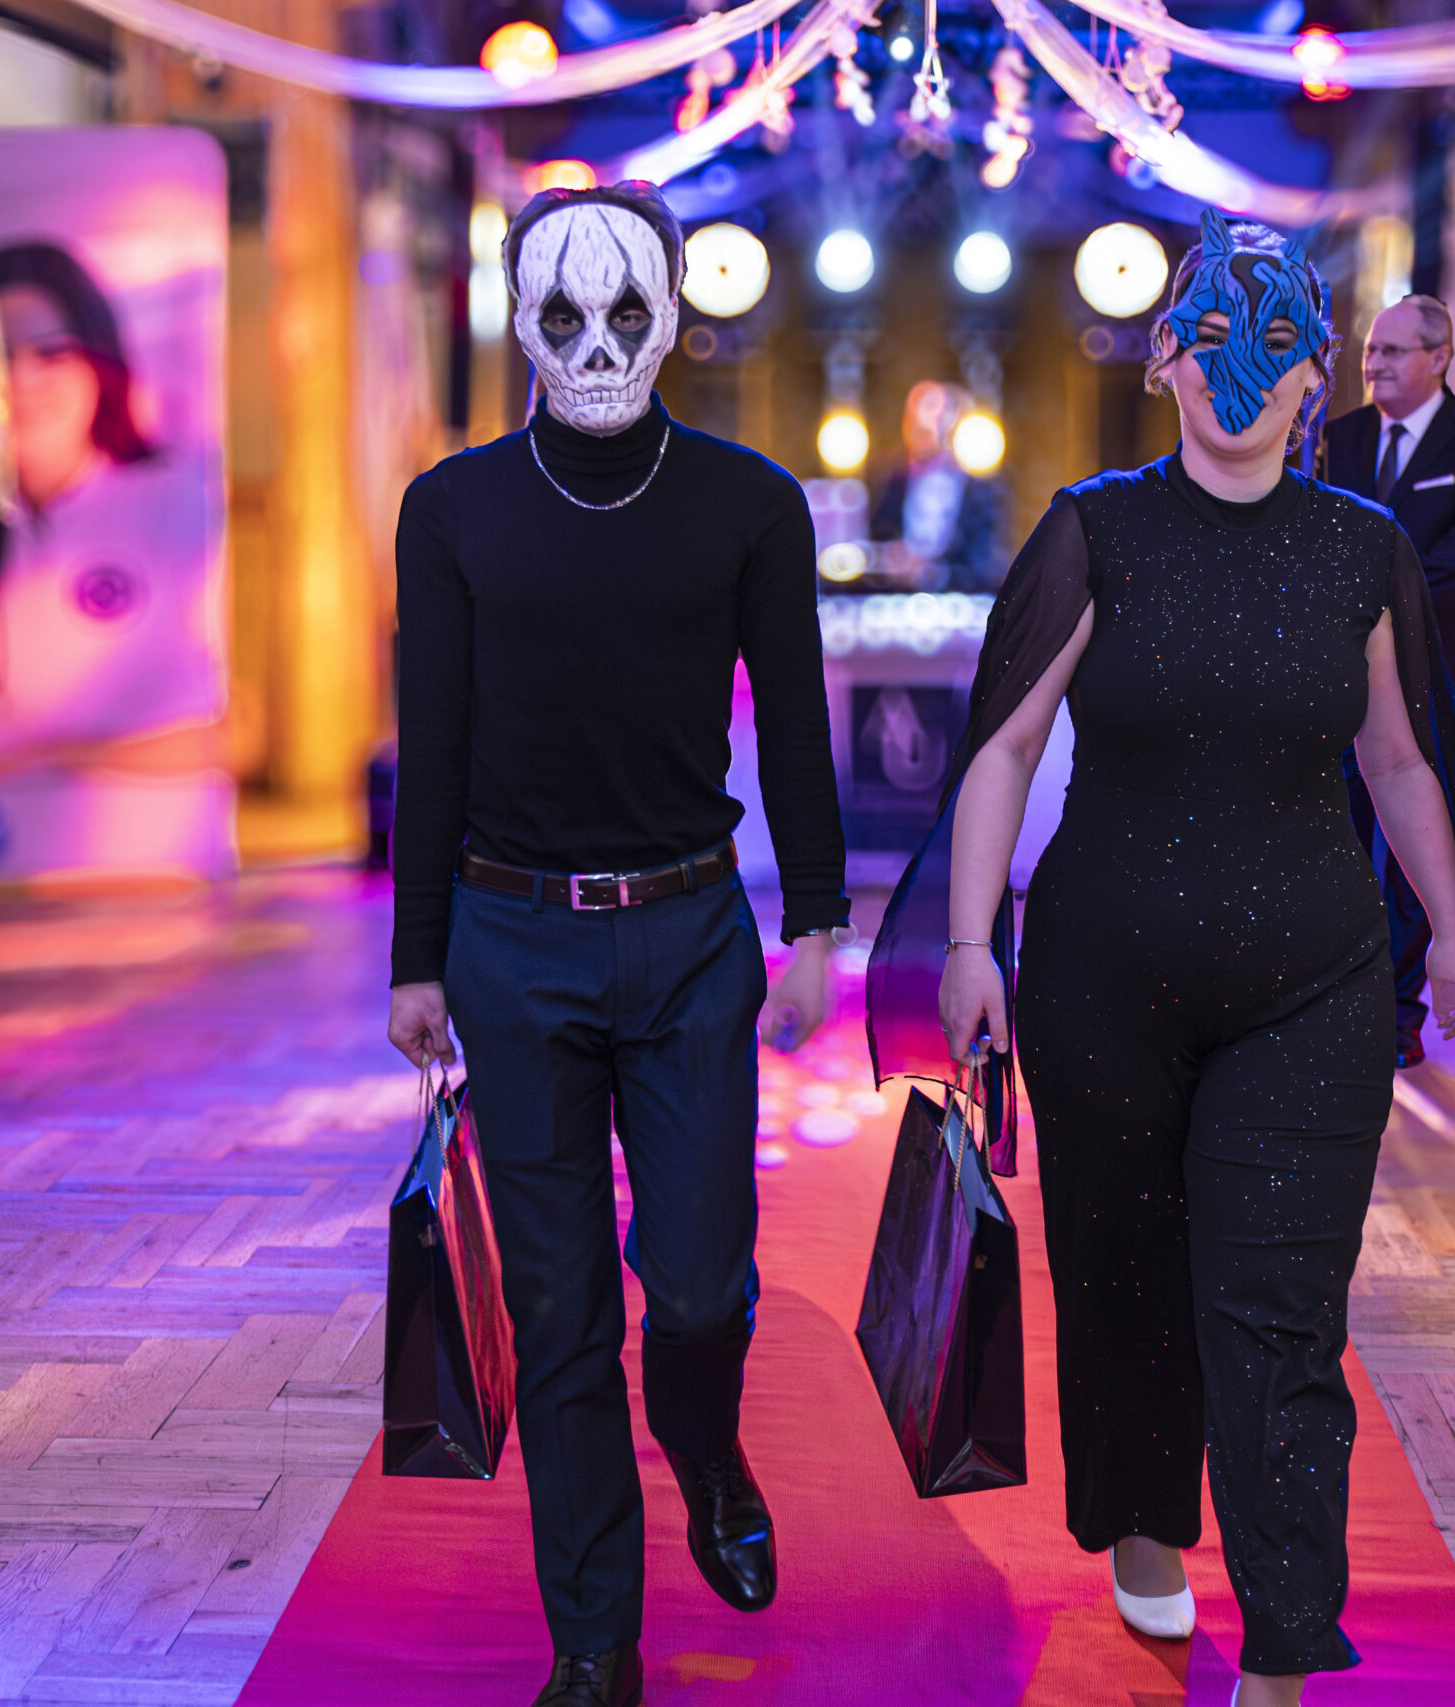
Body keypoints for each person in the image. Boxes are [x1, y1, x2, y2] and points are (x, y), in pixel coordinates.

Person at [865, 213, 1455, 1704]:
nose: (1236, 369)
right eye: (1207, 337)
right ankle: (1146, 1517)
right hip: (1099, 988)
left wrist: (1453, 929)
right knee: (1126, 1280)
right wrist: (968, 939)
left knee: (1279, 1309)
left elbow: (1402, 761)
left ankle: (1286, 1642)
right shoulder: (1094, 530)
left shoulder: (1365, 551)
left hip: (1310, 988)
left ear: (1318, 370)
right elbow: (1002, 746)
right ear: (1161, 360)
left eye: (1272, 342)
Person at [385, 181, 847, 1707]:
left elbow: (795, 725)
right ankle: (595, 1642)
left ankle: (704, 1443)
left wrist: (817, 925)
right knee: (561, 1309)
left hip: (692, 931)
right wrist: (416, 957)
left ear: (676, 317)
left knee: (700, 1283)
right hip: (514, 938)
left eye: (627, 310)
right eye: (565, 312)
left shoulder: (748, 503)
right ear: (520, 319)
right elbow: (433, 742)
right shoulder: (453, 508)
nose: (595, 343)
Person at [0, 240, 230, 881]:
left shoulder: (178, 503)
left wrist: (27, 759)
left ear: (98, 359)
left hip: (154, 881)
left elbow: (236, 731)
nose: (22, 379)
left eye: (51, 352)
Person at [1319, 295, 1455, 1065]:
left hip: (1430, 673)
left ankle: (1398, 1015)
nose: (1373, 365)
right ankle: (1335, 996)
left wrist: (1378, 596)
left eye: (1393, 352)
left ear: (1439, 357)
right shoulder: (1335, 438)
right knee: (1340, 834)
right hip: (1339, 673)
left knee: (1415, 847)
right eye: (1369, 351)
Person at [866, 379, 1011, 592]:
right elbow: (876, 538)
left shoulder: (984, 488)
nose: (925, 423)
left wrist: (934, 573)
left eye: (936, 414)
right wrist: (893, 558)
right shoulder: (891, 479)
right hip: (898, 599)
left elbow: (989, 563)